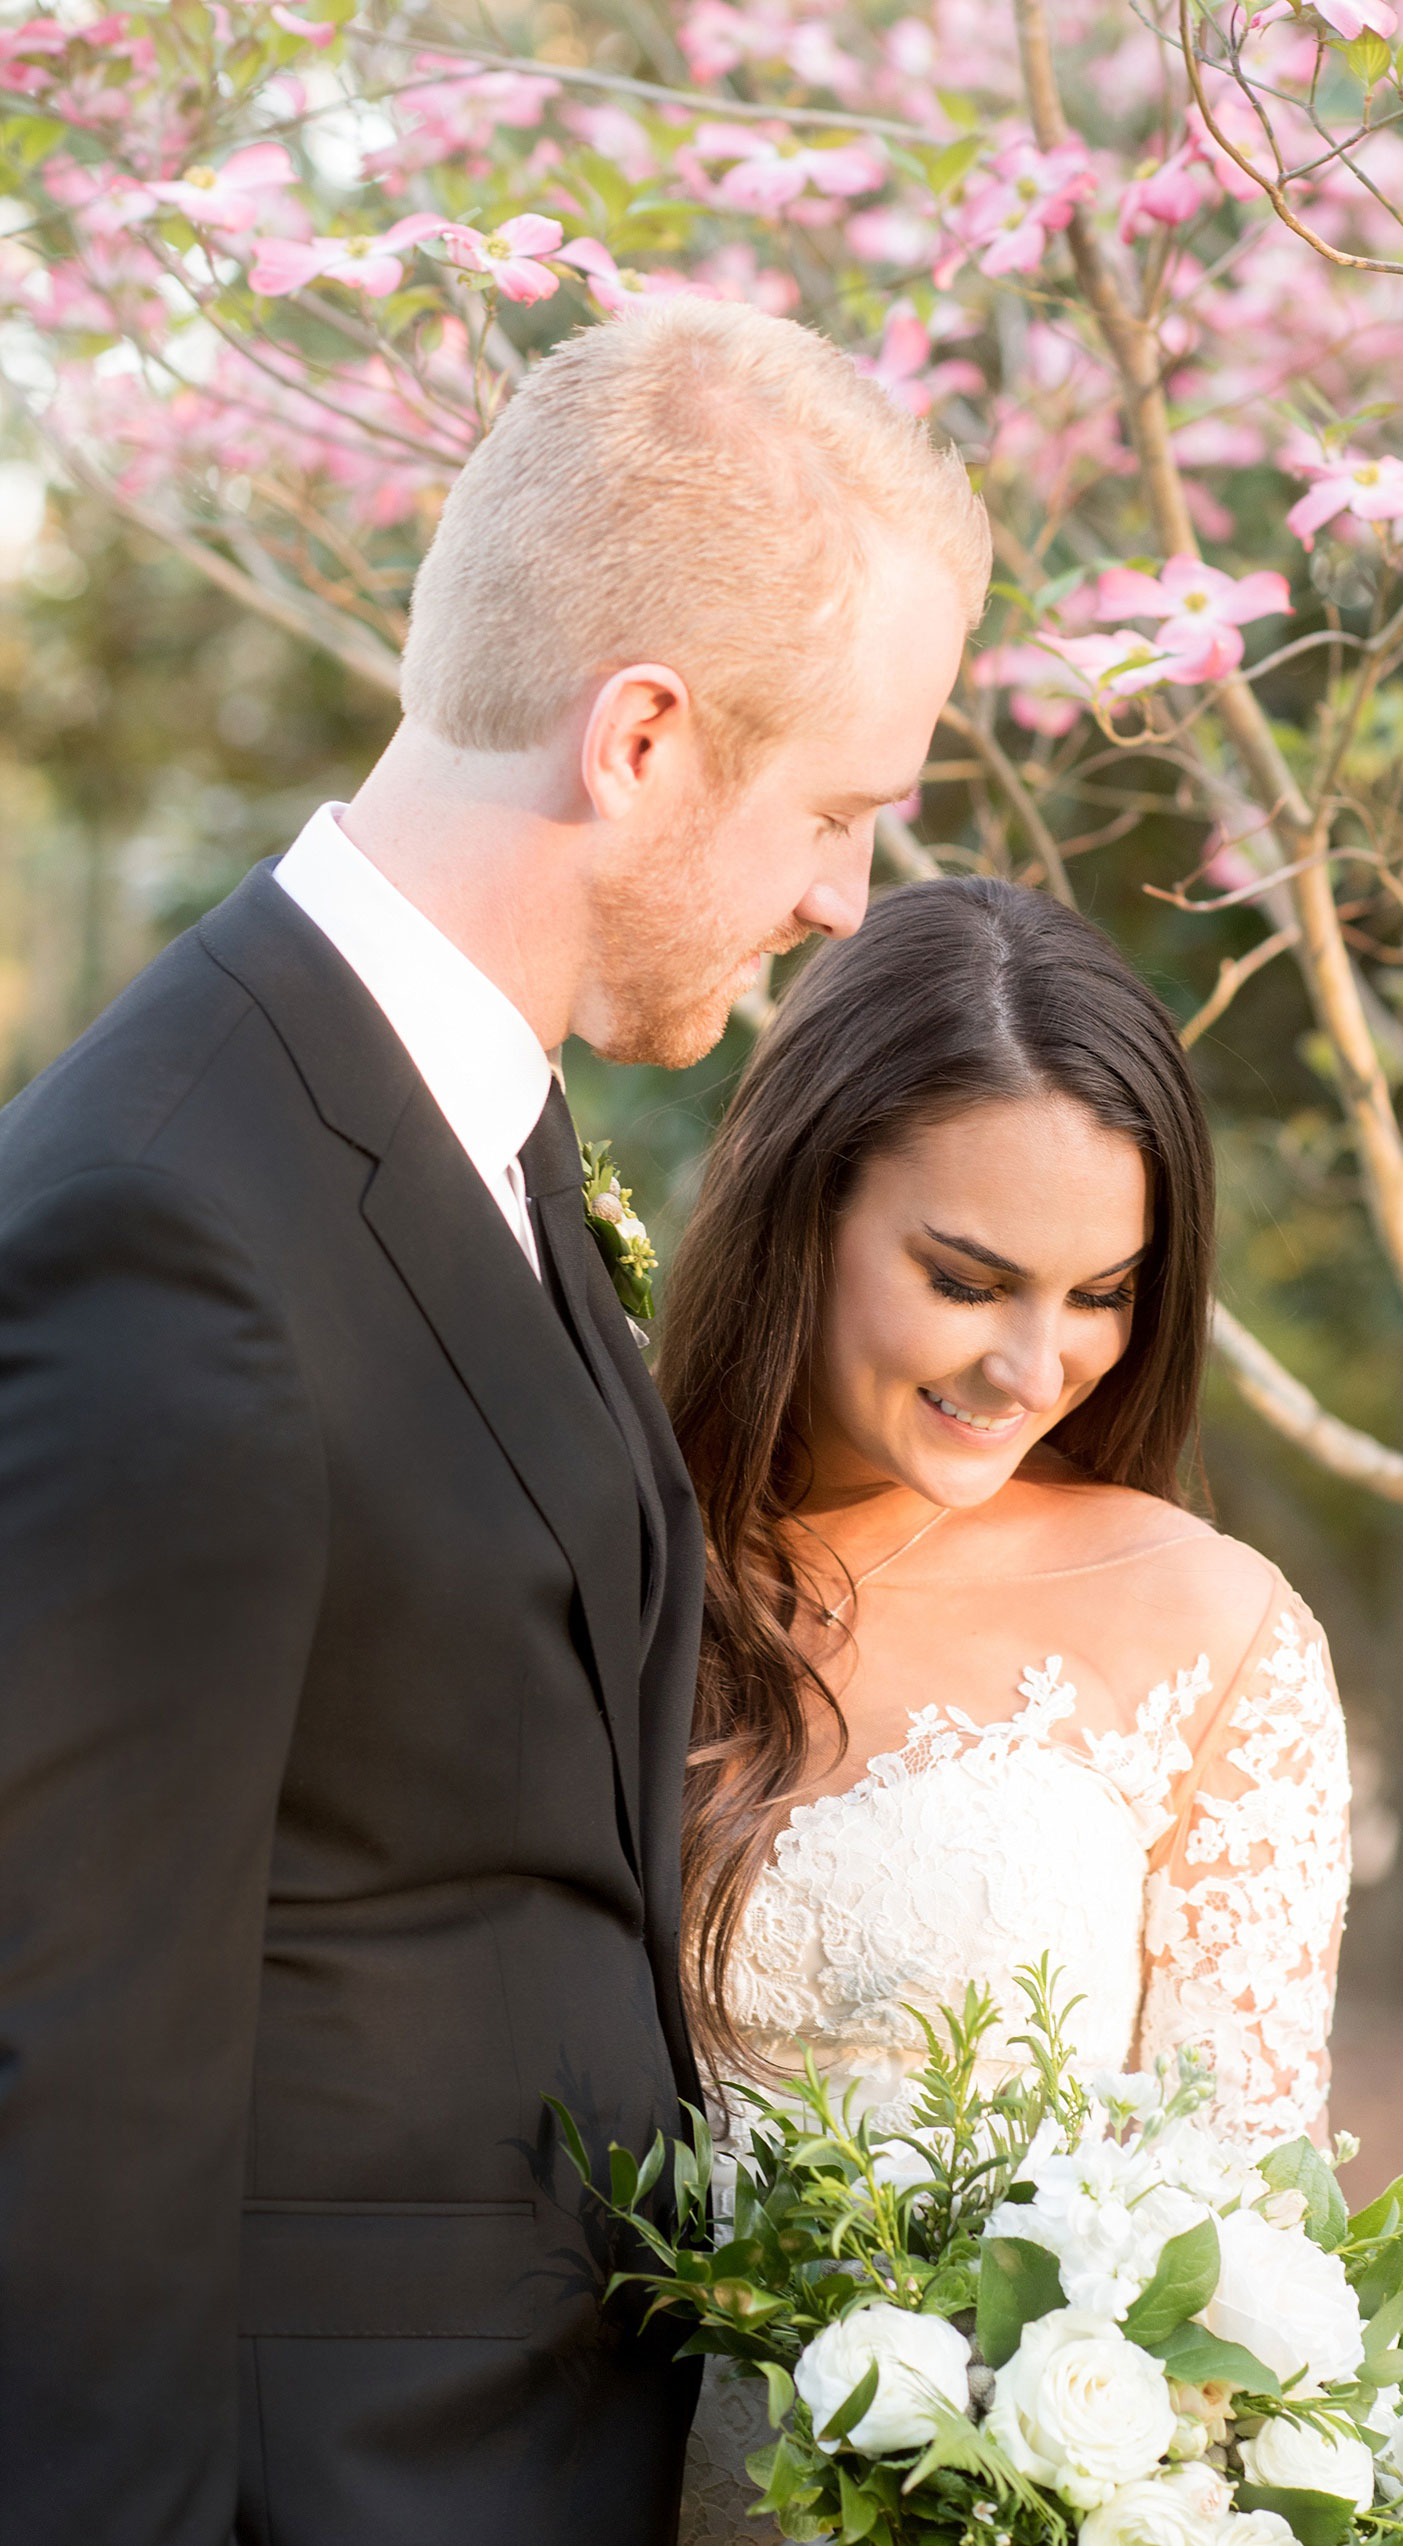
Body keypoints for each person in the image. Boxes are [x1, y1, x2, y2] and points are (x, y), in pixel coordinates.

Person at [0, 300, 987, 2546]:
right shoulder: (170, 1220)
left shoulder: (464, 1122)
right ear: (640, 736)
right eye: (838, 808)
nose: (842, 897)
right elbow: (66, 2086)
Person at [658, 878, 1353, 2545]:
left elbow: (1236, 2257)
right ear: (799, 1207)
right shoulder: (598, 1540)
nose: (1036, 1364)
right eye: (969, 1278)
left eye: (1103, 1291)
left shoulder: (1210, 1627)